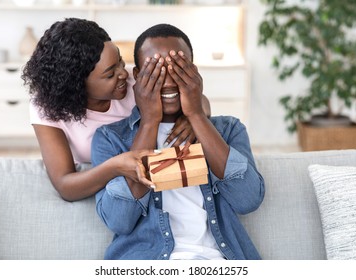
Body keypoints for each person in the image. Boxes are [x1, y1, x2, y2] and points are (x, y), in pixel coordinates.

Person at [92, 23, 265, 260]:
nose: (169, 81)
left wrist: (196, 114)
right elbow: (120, 220)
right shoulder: (110, 139)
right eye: (156, 71)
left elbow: (247, 199)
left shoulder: (229, 129)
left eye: (177, 69)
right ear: (138, 76)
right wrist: (150, 121)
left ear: (193, 72)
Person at [22, 18, 210, 202]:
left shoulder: (136, 82)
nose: (123, 73)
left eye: (120, 61)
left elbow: (200, 100)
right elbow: (65, 186)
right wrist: (115, 166)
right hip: (100, 184)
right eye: (110, 74)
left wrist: (192, 116)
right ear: (77, 84)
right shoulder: (45, 107)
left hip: (153, 179)